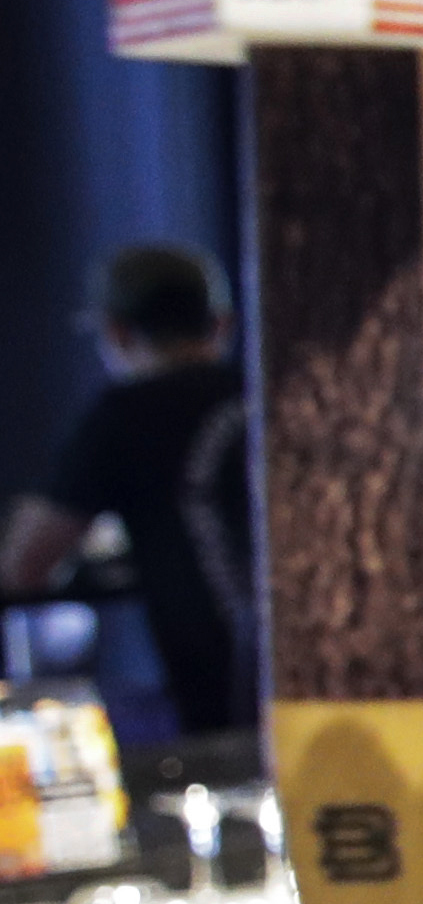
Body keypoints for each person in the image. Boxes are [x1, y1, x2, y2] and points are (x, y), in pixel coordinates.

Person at [4, 243, 257, 738]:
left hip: (216, 698)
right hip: (308, 682)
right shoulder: (268, 395)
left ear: (116, 331)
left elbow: (24, 565)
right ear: (222, 323)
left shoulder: (123, 419)